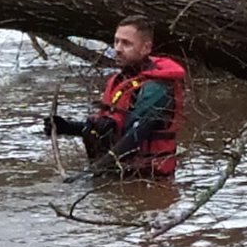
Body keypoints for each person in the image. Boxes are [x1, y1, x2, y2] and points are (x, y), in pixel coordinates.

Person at [44, 14, 186, 178]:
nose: (117, 48)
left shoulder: (157, 89)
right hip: (118, 171)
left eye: (126, 43)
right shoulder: (122, 80)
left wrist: (91, 172)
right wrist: (67, 127)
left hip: (147, 177)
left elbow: (135, 136)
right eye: (116, 41)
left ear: (146, 48)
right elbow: (113, 127)